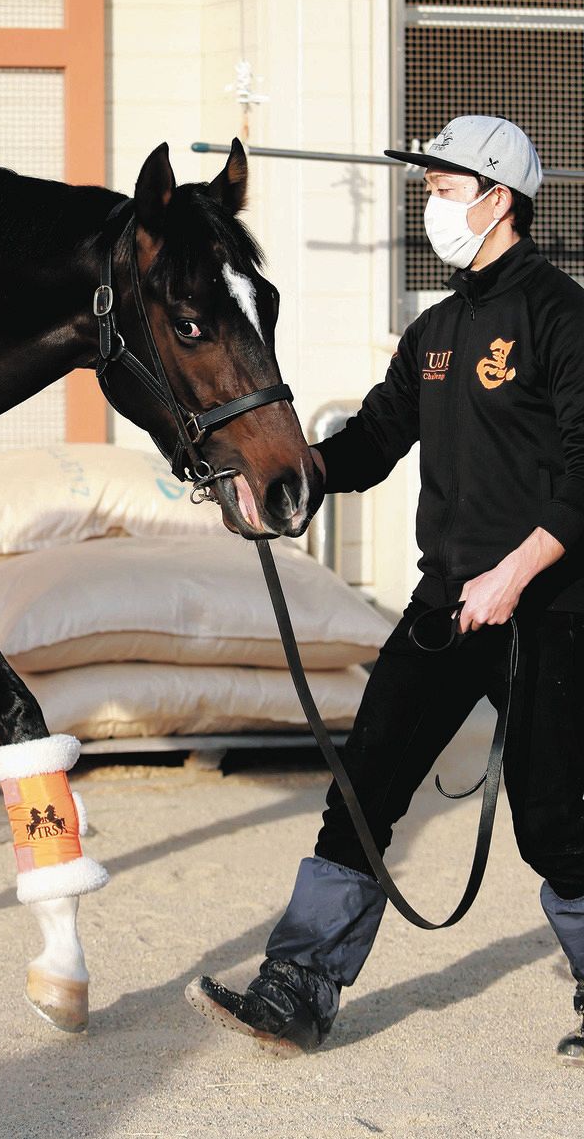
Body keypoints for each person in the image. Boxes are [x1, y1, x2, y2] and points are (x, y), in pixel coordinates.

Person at [185, 116, 584, 1063]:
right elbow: (371, 441)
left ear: (499, 199)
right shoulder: (437, 330)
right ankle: (299, 990)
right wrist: (287, 479)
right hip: (447, 604)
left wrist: (518, 571)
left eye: (445, 188)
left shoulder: (560, 316)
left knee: (559, 827)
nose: (430, 202)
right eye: (430, 186)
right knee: (362, 792)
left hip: (552, 613)